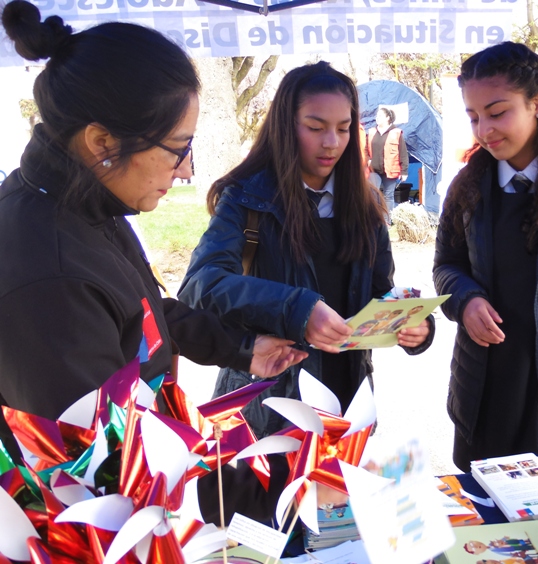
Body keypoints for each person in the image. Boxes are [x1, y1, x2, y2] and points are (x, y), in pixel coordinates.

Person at [0, 0, 308, 525]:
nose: (186, 170)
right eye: (177, 148)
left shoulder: (84, 198)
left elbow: (143, 311)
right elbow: (106, 467)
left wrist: (242, 348)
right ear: (103, 141)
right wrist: (282, 491)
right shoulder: (49, 274)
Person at [178, 62, 434, 438]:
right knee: (266, 498)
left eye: (344, 128)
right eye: (315, 128)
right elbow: (200, 287)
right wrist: (298, 309)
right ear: (286, 126)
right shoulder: (247, 199)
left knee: (335, 499)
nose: (331, 141)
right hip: (265, 412)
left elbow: (380, 291)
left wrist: (412, 323)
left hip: (345, 405)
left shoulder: (366, 206)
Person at [433, 42, 538, 492]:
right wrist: (465, 300)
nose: (485, 129)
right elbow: (446, 266)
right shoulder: (468, 185)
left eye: (497, 112)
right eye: (473, 116)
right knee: (485, 522)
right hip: (486, 387)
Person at [366, 106, 409, 222]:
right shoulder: (371, 132)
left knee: (388, 196)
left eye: (380, 116)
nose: (377, 118)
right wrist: (368, 159)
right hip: (374, 169)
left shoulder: (396, 133)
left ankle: (386, 222)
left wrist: (404, 171)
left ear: (388, 118)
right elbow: (365, 149)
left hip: (391, 170)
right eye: (376, 116)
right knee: (373, 194)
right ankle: (374, 220)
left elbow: (403, 153)